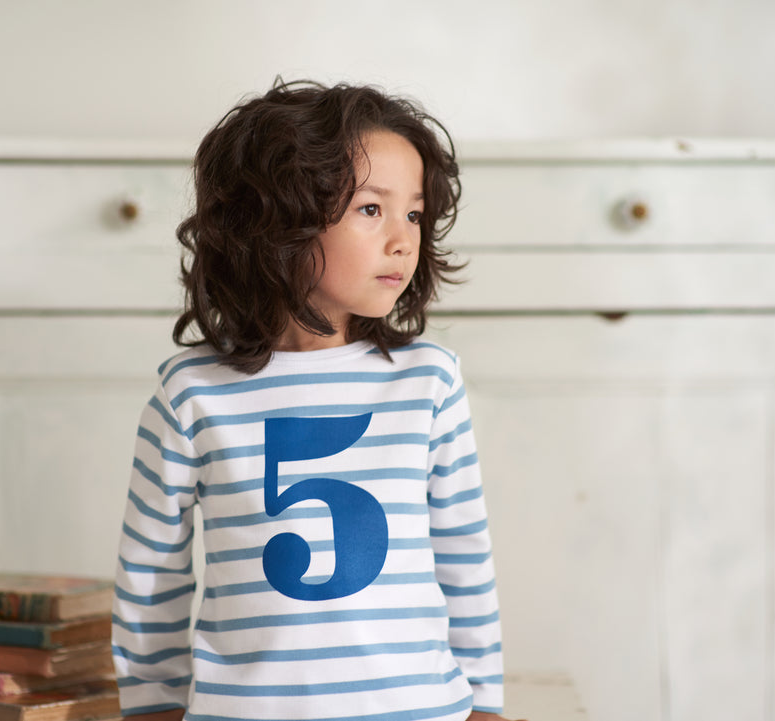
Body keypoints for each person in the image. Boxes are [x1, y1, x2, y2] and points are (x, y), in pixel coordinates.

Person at [113, 79, 515, 721]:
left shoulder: (429, 384)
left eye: (413, 213)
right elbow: (152, 579)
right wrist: (152, 705)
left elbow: (462, 556)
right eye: (370, 209)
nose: (403, 239)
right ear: (275, 220)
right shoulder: (191, 396)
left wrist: (486, 703)